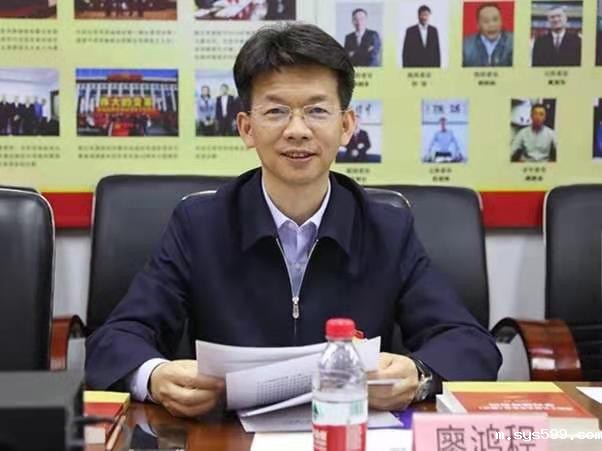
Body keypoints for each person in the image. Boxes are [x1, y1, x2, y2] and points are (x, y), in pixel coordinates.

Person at [86, 23, 501, 418]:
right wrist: (154, 376)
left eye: (317, 110)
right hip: (228, 435)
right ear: (247, 128)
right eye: (277, 111)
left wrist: (420, 375)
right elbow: (115, 338)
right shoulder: (200, 224)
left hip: (348, 429)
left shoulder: (386, 228)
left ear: (347, 126)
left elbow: (469, 343)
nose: (297, 130)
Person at [463, 2, 513, 67]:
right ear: (478, 25)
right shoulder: (465, 46)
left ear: (501, 22)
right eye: (486, 21)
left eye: (495, 19)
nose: (491, 25)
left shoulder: (513, 42)